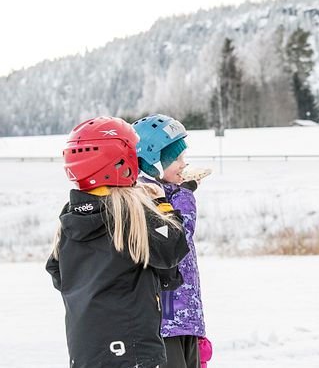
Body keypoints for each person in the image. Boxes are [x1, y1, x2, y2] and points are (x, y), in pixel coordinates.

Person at [46, 116, 189, 368]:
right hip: (133, 349)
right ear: (123, 161)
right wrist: (161, 206)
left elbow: (58, 273)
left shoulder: (69, 217)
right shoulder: (129, 210)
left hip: (85, 351)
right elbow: (171, 251)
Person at [133, 114, 208, 368]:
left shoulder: (170, 191)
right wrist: (186, 195)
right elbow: (179, 237)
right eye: (176, 159)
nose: (183, 164)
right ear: (153, 163)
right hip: (167, 319)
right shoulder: (147, 195)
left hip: (184, 317)